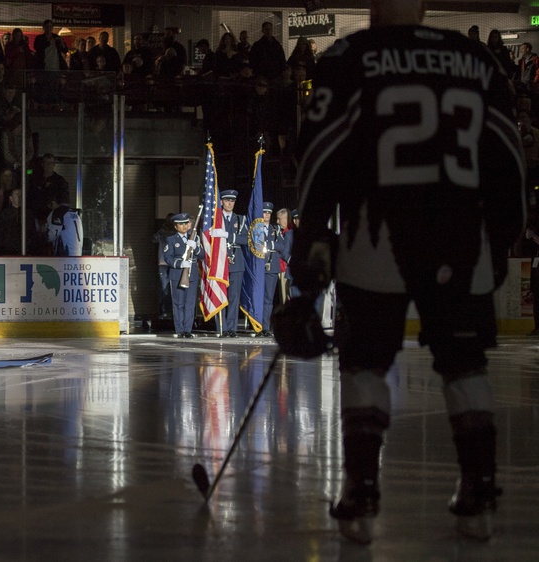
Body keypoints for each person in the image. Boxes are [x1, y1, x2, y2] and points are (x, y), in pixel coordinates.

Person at [287, 0, 525, 544]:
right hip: (462, 237)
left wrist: (314, 239)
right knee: (465, 364)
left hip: (376, 233)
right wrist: (503, 235)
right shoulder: (476, 59)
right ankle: (479, 493)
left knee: (365, 363)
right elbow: (507, 158)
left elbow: (319, 156)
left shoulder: (348, 56)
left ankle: (363, 494)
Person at [162, 213, 205, 338]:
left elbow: (202, 255)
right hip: (177, 274)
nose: (184, 226)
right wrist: (180, 264)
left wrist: (196, 247)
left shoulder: (194, 238)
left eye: (186, 223)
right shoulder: (171, 240)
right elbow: (167, 258)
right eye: (181, 224)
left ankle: (188, 330)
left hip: (191, 275)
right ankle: (180, 330)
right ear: (176, 227)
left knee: (190, 304)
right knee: (178, 303)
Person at [216, 190, 247, 336]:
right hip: (220, 261)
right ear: (221, 202)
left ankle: (232, 328)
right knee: (220, 295)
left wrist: (228, 235)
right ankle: (222, 327)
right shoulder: (216, 219)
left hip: (236, 262)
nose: (230, 203)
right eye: (227, 200)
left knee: (234, 296)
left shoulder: (240, 220)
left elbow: (246, 240)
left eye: (232, 201)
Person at [260, 202, 282, 337]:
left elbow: (282, 246)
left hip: (272, 268)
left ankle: (265, 327)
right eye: (264, 212)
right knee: (258, 297)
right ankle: (257, 325)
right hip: (258, 268)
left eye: (268, 213)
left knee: (268, 299)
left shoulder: (276, 229)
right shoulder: (256, 229)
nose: (266, 215)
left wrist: (269, 244)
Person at [46, 187, 84, 256]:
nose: (49, 206)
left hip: (64, 255)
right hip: (77, 254)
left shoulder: (58, 213)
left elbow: (51, 236)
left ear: (53, 201)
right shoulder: (74, 213)